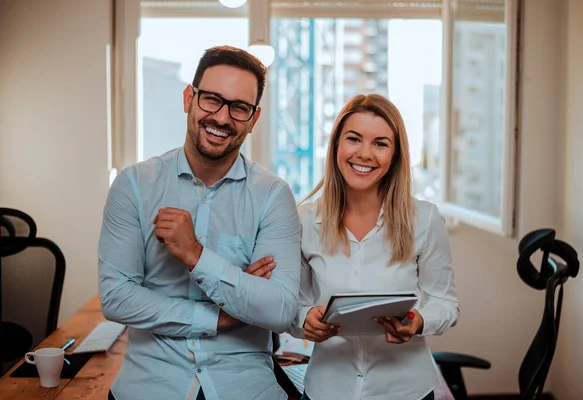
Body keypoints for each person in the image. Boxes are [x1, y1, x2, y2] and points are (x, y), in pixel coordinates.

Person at [98, 45, 301, 400]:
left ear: (253, 119)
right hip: (149, 385)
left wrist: (195, 255)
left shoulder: (273, 196)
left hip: (246, 386)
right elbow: (117, 298)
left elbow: (280, 309)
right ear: (189, 99)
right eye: (211, 100)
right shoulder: (134, 185)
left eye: (239, 107)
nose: (222, 118)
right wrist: (221, 315)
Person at [289, 94, 460, 400]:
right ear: (336, 147)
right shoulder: (304, 220)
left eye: (380, 143)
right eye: (354, 139)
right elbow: (292, 305)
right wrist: (305, 322)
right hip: (327, 388)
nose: (365, 154)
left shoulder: (425, 219)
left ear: (394, 155)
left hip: (406, 390)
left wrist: (419, 322)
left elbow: (446, 304)